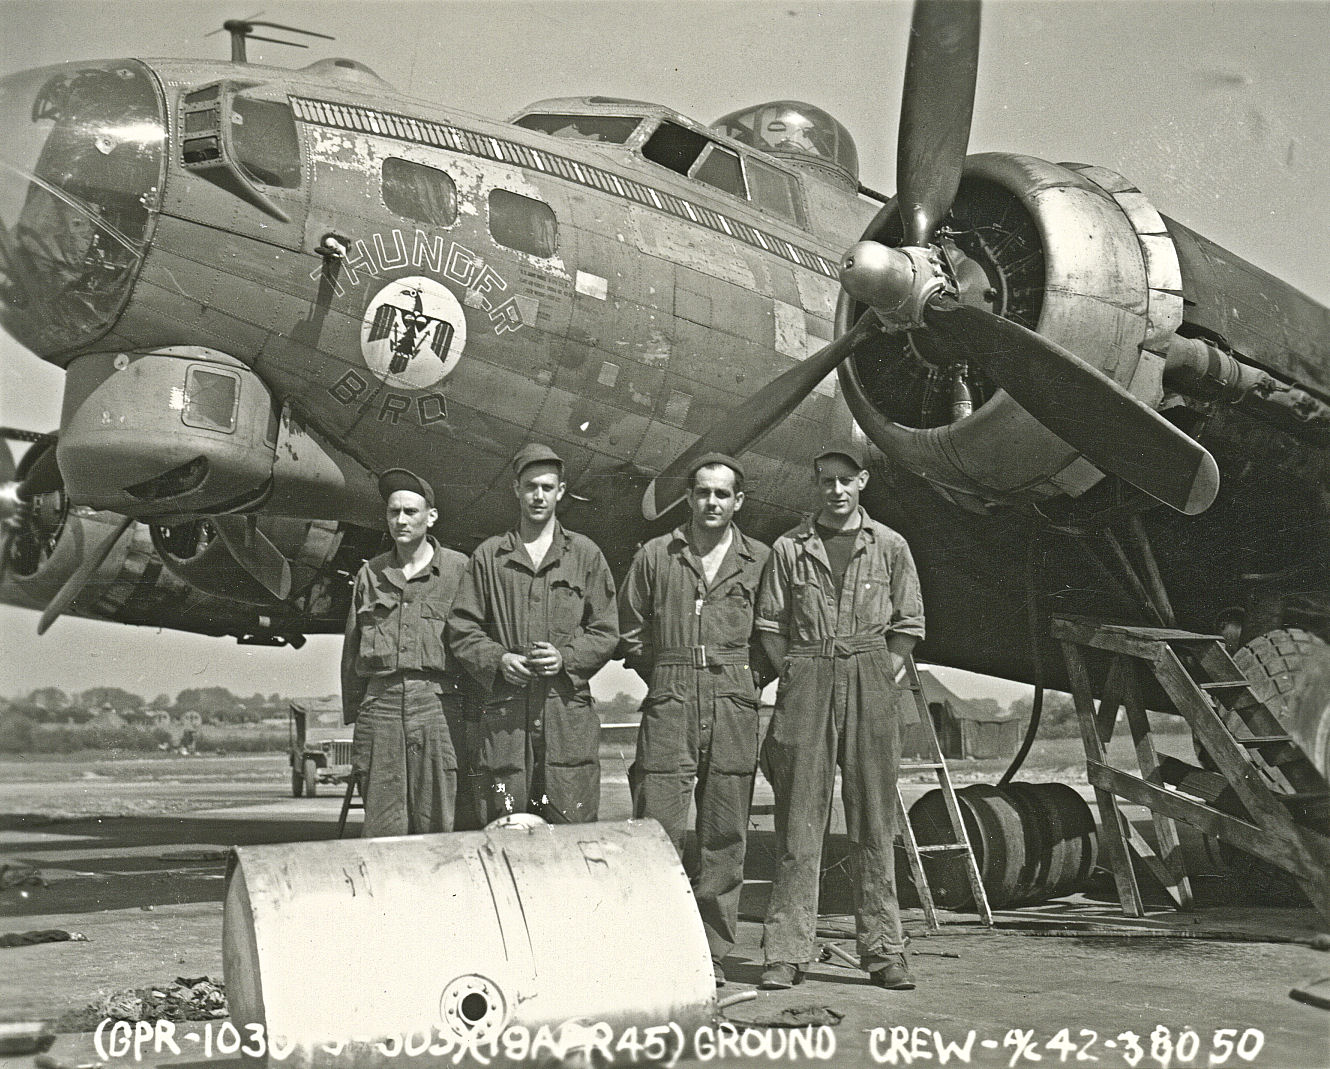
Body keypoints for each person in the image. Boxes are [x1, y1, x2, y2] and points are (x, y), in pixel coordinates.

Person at [755, 440, 926, 991]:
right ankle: (785, 951)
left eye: (844, 481)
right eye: (825, 481)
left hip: (869, 674)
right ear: (817, 486)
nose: (835, 490)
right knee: (798, 820)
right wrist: (802, 672)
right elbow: (770, 625)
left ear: (862, 483)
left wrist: (881, 673)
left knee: (874, 819)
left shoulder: (892, 545)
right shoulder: (789, 549)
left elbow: (908, 623)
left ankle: (884, 951)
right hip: (808, 675)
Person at [619, 453, 771, 988]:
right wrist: (668, 676)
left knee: (724, 833)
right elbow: (632, 632)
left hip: (734, 703)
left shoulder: (760, 560)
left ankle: (712, 953)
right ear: (689, 497)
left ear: (738, 501)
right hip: (671, 698)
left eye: (722, 494)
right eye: (702, 492)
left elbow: (775, 634)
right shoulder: (657, 556)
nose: (712, 503)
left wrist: (746, 681)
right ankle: (656, 948)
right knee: (656, 828)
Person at [448, 444, 618, 824]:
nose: (538, 496)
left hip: (564, 713)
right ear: (516, 490)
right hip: (506, 718)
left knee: (571, 830)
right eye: (530, 487)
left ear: (560, 491)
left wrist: (566, 658)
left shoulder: (586, 555)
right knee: (503, 826)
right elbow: (462, 627)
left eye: (546, 487)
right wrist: (498, 660)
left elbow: (605, 629)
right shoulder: (489, 557)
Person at [341, 468, 471, 837]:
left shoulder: (460, 570)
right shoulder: (371, 574)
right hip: (379, 705)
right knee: (382, 824)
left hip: (438, 705)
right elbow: (352, 649)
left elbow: (475, 644)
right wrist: (357, 707)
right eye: (393, 512)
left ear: (430, 517)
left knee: (438, 818)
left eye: (410, 512)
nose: (400, 520)